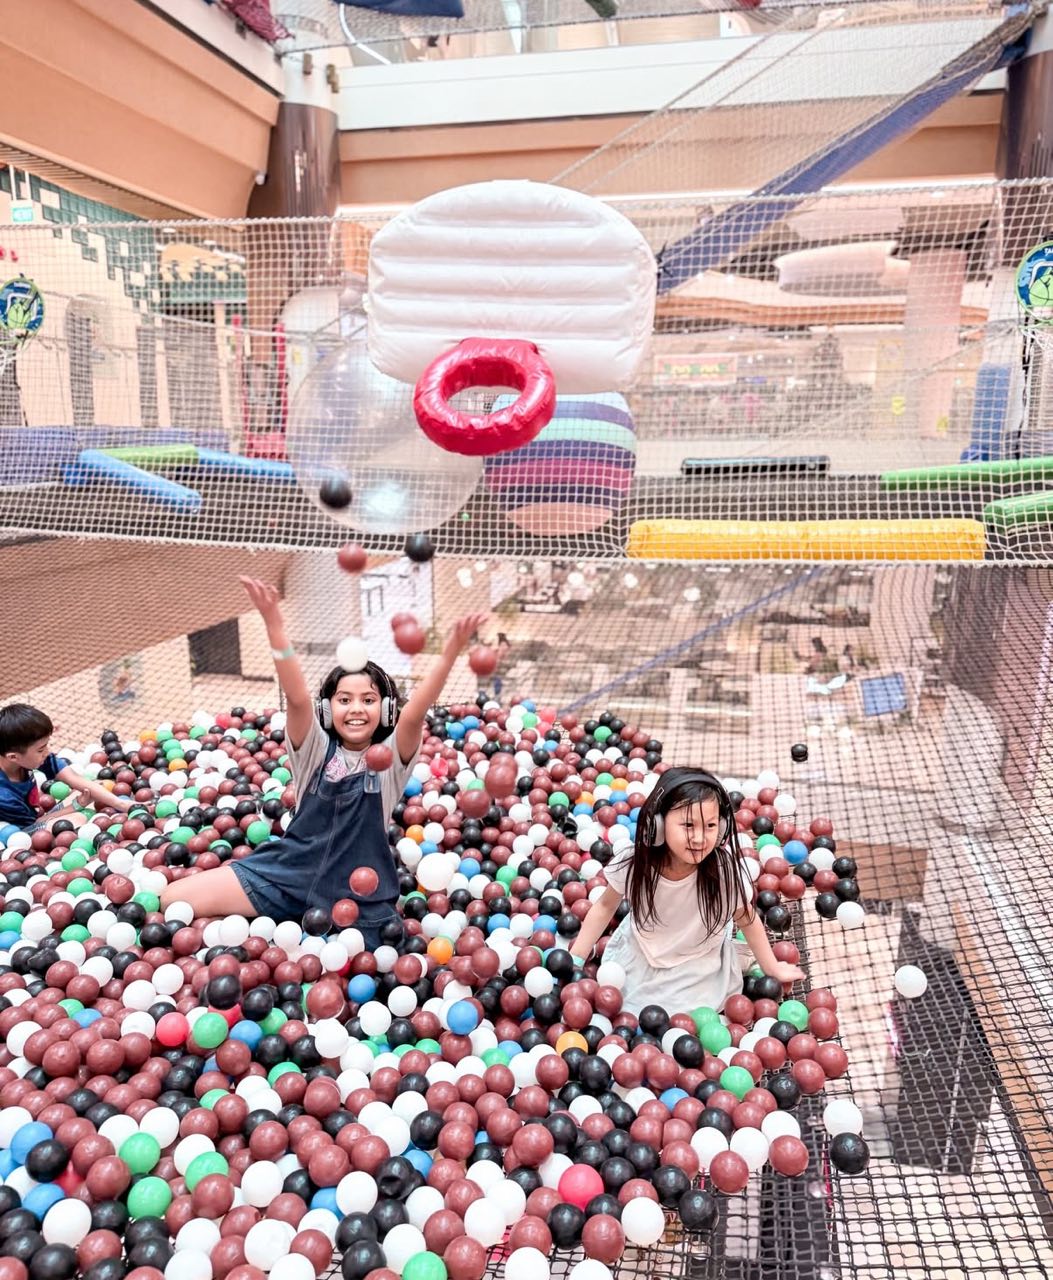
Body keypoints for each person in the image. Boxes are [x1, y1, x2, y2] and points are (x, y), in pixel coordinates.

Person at [160, 577, 486, 949]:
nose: (356, 709)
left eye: (368, 700)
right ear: (328, 710)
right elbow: (297, 699)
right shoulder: (313, 749)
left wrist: (449, 654)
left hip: (358, 892)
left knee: (371, 962)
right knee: (172, 899)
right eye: (344, 700)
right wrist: (274, 625)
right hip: (287, 872)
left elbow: (415, 714)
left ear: (386, 709)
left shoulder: (391, 761)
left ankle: (288, 928)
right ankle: (274, 927)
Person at [569, 767, 804, 1014]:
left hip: (698, 958)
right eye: (688, 825)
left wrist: (772, 968)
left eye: (710, 825)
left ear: (722, 828)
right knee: (635, 1005)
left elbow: (747, 919)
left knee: (683, 1012)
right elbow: (605, 906)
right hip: (645, 951)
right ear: (658, 825)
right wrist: (575, 959)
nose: (699, 838)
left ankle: (741, 960)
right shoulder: (636, 863)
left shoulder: (722, 872)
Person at [0, 703, 134, 833]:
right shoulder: (4, 796)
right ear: (13, 757)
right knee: (77, 819)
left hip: (29, 815)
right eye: (40, 750)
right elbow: (29, 829)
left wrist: (121, 804)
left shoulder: (25, 758)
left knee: (95, 788)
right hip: (14, 832)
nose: (47, 752)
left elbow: (73, 778)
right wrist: (75, 806)